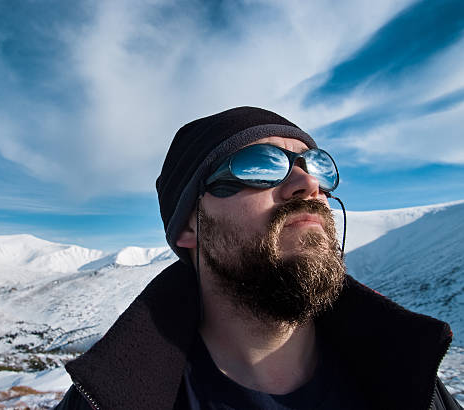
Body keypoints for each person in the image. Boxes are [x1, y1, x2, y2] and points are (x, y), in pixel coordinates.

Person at [56, 107, 461, 409]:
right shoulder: (107, 399)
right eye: (261, 166)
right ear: (189, 226)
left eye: (315, 165)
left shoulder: (408, 373)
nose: (308, 183)